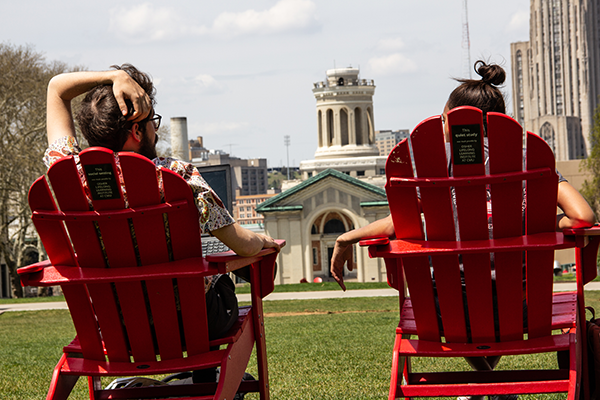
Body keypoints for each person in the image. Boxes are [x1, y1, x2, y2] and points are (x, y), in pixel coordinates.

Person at [330, 60, 596, 400]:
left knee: (457, 302)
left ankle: (485, 386)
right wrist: (536, 220)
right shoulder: (533, 169)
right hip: (524, 308)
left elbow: (404, 222)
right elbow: (582, 217)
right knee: (496, 304)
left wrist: (350, 235)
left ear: (454, 123)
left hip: (443, 313)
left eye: (444, 117)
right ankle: (493, 387)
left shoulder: (434, 176)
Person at [45, 64, 282, 384]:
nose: (156, 130)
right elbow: (242, 244)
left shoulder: (70, 175)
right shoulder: (178, 176)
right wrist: (263, 242)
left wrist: (112, 78)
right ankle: (204, 382)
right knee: (215, 282)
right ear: (137, 131)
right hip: (194, 326)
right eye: (153, 122)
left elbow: (57, 88)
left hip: (116, 328)